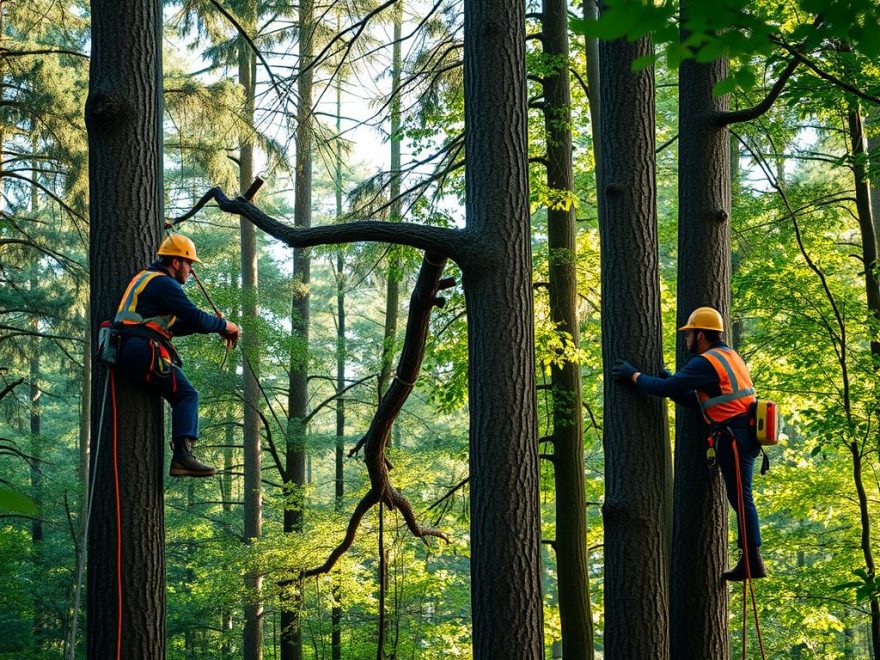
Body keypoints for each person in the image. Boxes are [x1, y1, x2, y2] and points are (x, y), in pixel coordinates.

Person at [612, 306, 766, 581]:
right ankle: (751, 559)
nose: (686, 340)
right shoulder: (729, 356)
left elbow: (665, 391)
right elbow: (700, 400)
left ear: (702, 335)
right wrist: (673, 382)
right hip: (743, 432)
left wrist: (633, 376)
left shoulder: (706, 362)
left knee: (741, 498)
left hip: (734, 437)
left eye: (689, 334)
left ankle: (753, 561)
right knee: (740, 497)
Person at [113, 233, 239, 477]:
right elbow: (193, 315)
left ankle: (183, 455)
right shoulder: (163, 283)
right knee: (186, 395)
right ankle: (183, 456)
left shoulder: (148, 280)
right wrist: (225, 327)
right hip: (142, 349)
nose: (191, 271)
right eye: (189, 264)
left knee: (182, 393)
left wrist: (213, 327)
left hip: (132, 347)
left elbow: (177, 326)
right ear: (176, 262)